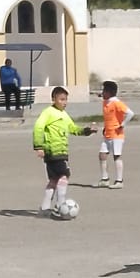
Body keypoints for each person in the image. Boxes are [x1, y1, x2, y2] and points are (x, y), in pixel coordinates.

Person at [32, 85, 93, 217]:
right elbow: (38, 127)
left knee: (54, 179)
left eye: (66, 100)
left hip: (62, 151)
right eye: (61, 99)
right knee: (64, 176)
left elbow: (72, 128)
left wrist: (86, 131)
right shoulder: (48, 112)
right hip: (53, 151)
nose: (64, 102)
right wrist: (39, 146)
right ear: (53, 99)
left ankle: (44, 208)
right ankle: (61, 205)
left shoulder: (64, 115)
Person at [98, 79, 132, 188]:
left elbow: (130, 113)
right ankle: (105, 179)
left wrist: (122, 124)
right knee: (102, 155)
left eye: (104, 91)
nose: (102, 93)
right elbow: (108, 118)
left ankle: (119, 181)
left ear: (109, 92)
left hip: (117, 135)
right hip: (107, 134)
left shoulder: (116, 103)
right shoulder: (105, 103)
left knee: (116, 156)